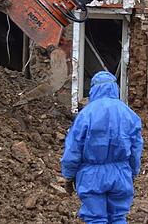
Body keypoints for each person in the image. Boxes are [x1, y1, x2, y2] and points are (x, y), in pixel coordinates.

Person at [61, 71, 143, 224]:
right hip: (120, 174)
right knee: (118, 217)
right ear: (115, 88)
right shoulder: (129, 114)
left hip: (92, 175)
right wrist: (132, 171)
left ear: (93, 90)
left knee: (95, 219)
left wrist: (69, 175)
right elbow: (136, 148)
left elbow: (73, 148)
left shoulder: (86, 115)